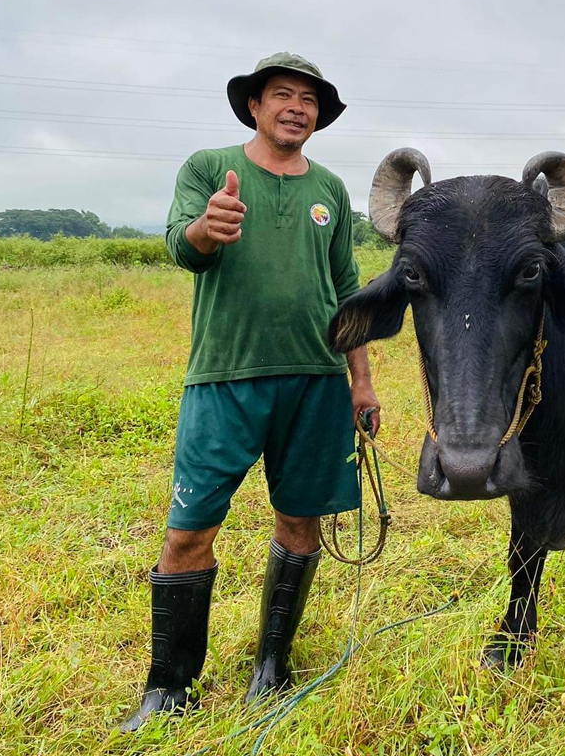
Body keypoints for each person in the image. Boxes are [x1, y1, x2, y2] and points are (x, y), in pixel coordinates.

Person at [121, 52, 380, 732]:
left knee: (301, 522)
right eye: (282, 95)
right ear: (256, 108)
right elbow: (183, 242)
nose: (297, 107)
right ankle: (168, 688)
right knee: (189, 531)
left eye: (309, 100)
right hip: (224, 378)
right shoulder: (209, 169)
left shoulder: (330, 188)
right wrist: (209, 229)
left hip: (318, 383)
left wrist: (362, 382)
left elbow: (347, 289)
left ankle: (272, 667)